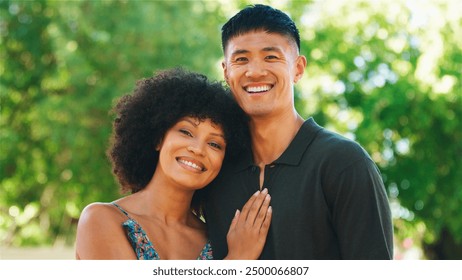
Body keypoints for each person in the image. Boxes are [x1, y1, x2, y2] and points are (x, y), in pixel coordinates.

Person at [204, 4, 394, 259]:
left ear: (298, 68)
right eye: (241, 59)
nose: (256, 71)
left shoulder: (344, 163)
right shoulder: (213, 168)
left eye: (271, 57)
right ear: (226, 72)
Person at [75, 67, 272, 260]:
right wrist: (238, 260)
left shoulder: (217, 239)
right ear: (158, 138)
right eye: (186, 132)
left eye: (214, 144)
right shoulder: (101, 219)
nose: (197, 149)